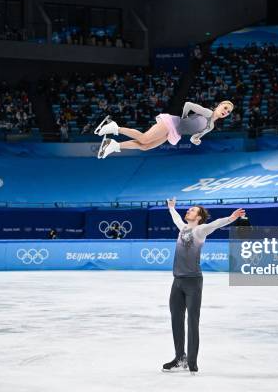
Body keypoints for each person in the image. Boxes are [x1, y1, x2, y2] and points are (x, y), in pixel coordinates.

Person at [162, 197, 245, 374]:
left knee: (192, 321)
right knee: (176, 320)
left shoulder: (200, 230)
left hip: (193, 282)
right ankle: (179, 358)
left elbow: (215, 224)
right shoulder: (183, 228)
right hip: (177, 281)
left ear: (199, 217)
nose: (188, 211)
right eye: (189, 209)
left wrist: (231, 218)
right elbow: (176, 218)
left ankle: (192, 361)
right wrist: (171, 208)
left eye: (193, 210)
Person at [94, 100, 234, 159]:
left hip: (174, 133)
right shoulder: (207, 112)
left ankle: (114, 145)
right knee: (144, 139)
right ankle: (114, 127)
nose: (225, 111)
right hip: (172, 123)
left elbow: (194, 137)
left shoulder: (211, 126)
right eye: (225, 108)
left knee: (145, 146)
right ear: (219, 105)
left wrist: (196, 140)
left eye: (228, 112)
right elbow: (188, 104)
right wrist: (184, 117)